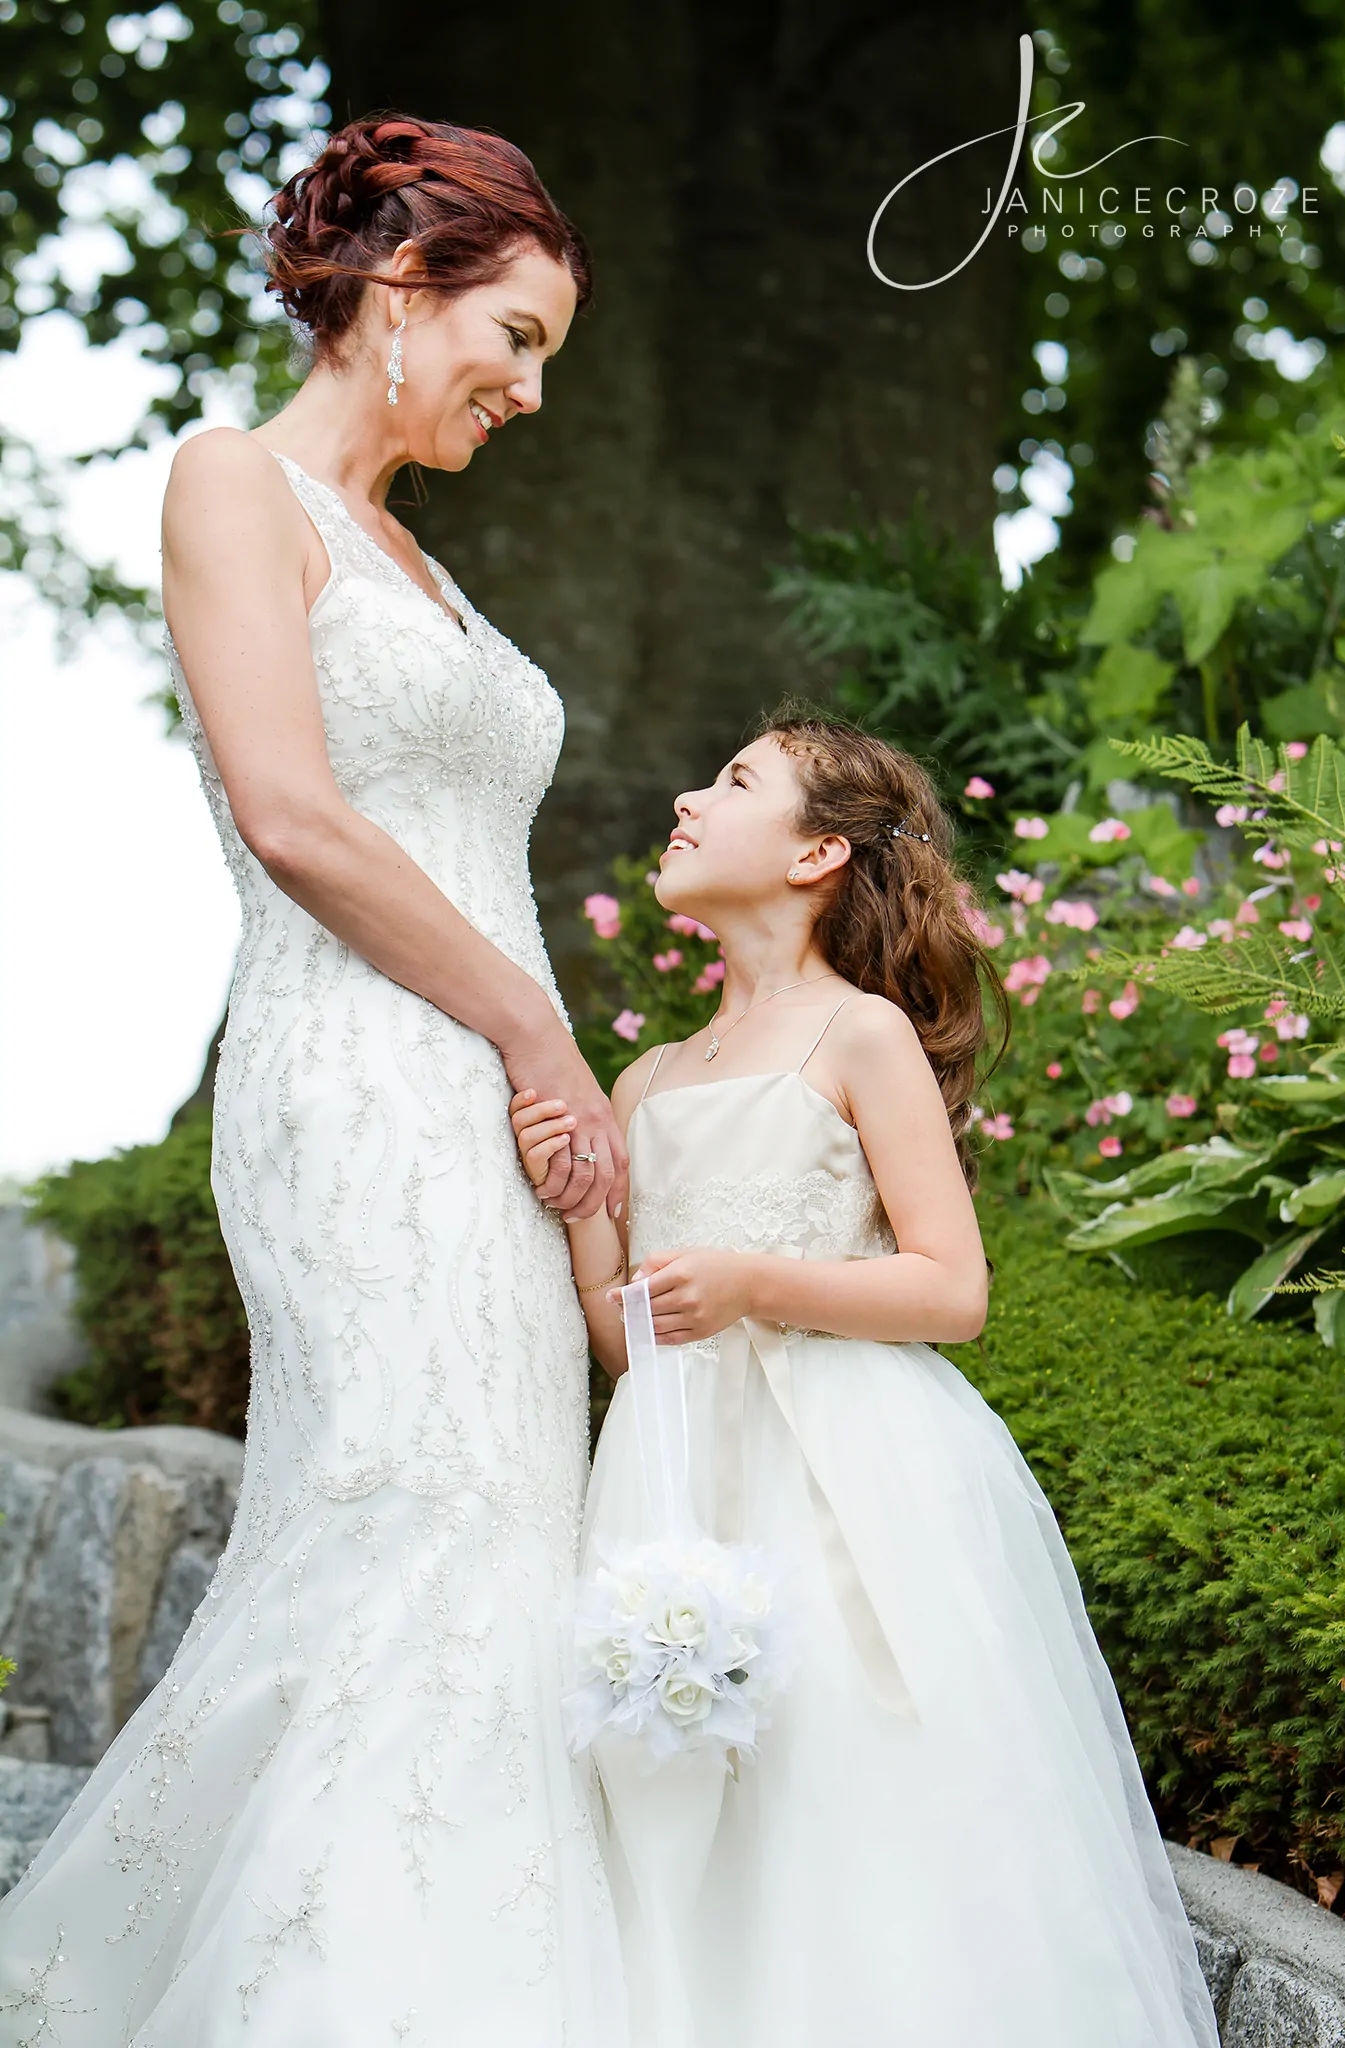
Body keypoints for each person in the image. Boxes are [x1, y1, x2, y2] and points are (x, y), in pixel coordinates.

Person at [0, 117, 631, 2046]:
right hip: (362, 1087)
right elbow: (292, 815)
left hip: (499, 1093)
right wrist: (539, 1035)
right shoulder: (230, 486)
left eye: (544, 361)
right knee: (415, 1505)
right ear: (393, 285)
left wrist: (561, 1084)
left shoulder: (417, 563)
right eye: (511, 338)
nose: (525, 392)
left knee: (503, 1526)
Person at [509, 712, 1221, 2048]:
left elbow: (952, 1288)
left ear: (818, 852)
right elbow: (624, 1338)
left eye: (731, 782)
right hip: (675, 1480)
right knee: (686, 1796)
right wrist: (581, 1208)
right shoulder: (650, 1075)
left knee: (839, 1786)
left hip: (838, 1479)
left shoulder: (860, 1038)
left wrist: (757, 1283)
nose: (687, 797)